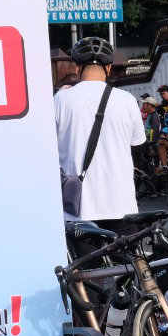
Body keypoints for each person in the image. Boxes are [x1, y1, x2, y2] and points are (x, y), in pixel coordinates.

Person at [54, 37, 146, 232]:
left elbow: (48, 147)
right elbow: (138, 144)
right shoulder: (127, 100)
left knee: (84, 263)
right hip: (121, 204)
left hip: (78, 208)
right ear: (109, 68)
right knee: (128, 262)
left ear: (77, 67)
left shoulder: (61, 99)